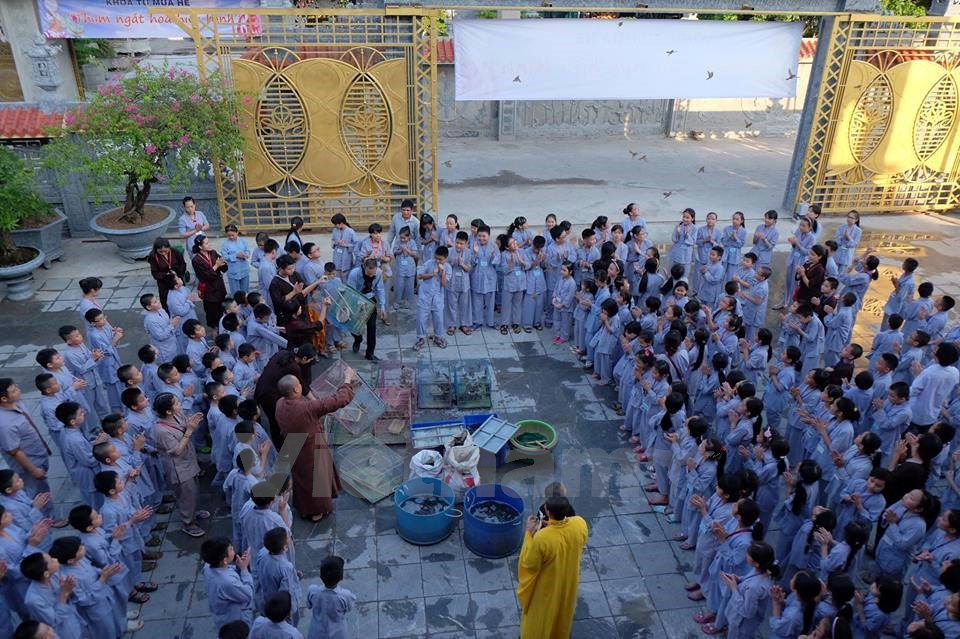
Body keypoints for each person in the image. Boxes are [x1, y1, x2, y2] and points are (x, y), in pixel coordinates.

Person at [274, 373, 354, 521]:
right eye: (299, 384)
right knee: (317, 479)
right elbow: (339, 400)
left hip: (292, 446)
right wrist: (347, 380)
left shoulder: (280, 403)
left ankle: (304, 507)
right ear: (296, 390)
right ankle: (317, 511)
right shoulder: (306, 408)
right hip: (310, 449)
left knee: (301, 478)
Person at [516, 495, 589, 639]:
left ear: (548, 512)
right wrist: (551, 526)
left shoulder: (542, 538)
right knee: (562, 609)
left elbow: (530, 564)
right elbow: (572, 537)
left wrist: (528, 534)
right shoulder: (580, 523)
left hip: (548, 583)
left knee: (542, 614)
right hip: (569, 578)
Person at [153, 393, 208, 537]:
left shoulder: (177, 415)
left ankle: (193, 512)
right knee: (186, 495)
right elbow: (176, 451)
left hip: (188, 461)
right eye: (176, 403)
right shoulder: (161, 431)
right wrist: (189, 430)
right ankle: (188, 522)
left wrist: (191, 423)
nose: (180, 405)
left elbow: (184, 426)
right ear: (168, 411)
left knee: (193, 491)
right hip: (179, 467)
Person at [254, 346, 317, 446]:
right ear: (304, 358)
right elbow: (303, 387)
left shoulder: (283, 353)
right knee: (275, 420)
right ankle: (280, 445)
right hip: (268, 396)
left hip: (261, 388)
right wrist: (315, 402)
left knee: (274, 419)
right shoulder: (294, 367)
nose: (310, 362)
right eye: (310, 360)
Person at [201, 536, 255, 630]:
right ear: (224, 560)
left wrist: (239, 566)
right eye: (231, 549)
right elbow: (248, 594)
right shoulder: (227, 583)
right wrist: (244, 569)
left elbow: (228, 571)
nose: (234, 551)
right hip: (236, 620)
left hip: (222, 615)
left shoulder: (208, 566)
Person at [346, 259, 387, 361]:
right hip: (356, 299)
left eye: (372, 274)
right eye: (368, 274)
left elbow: (380, 289)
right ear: (364, 267)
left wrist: (382, 307)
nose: (370, 276)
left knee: (372, 328)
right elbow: (351, 291)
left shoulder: (378, 273)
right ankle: (358, 339)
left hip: (370, 299)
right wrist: (358, 304)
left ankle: (370, 353)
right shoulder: (354, 274)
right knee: (354, 326)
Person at [306, 555, 356, 639]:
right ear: (341, 577)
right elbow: (349, 608)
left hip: (316, 633)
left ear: (321, 576)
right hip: (338, 634)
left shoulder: (313, 590)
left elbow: (309, 605)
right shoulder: (345, 595)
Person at [191, 235, 229, 330]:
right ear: (200, 246)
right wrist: (216, 265)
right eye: (207, 243)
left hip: (219, 286)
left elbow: (223, 267)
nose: (210, 244)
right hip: (209, 289)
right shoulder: (196, 260)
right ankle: (214, 329)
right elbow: (205, 276)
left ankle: (223, 326)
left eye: (209, 242)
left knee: (222, 308)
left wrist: (223, 263)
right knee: (212, 311)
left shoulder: (213, 252)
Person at [221, 224, 251, 295]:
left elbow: (248, 250)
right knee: (235, 293)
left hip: (244, 269)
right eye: (229, 235)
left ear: (237, 232)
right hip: (233, 271)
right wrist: (235, 256)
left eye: (233, 235)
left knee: (245, 291)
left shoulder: (243, 241)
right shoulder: (225, 244)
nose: (231, 237)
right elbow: (224, 256)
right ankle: (235, 305)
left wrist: (246, 254)